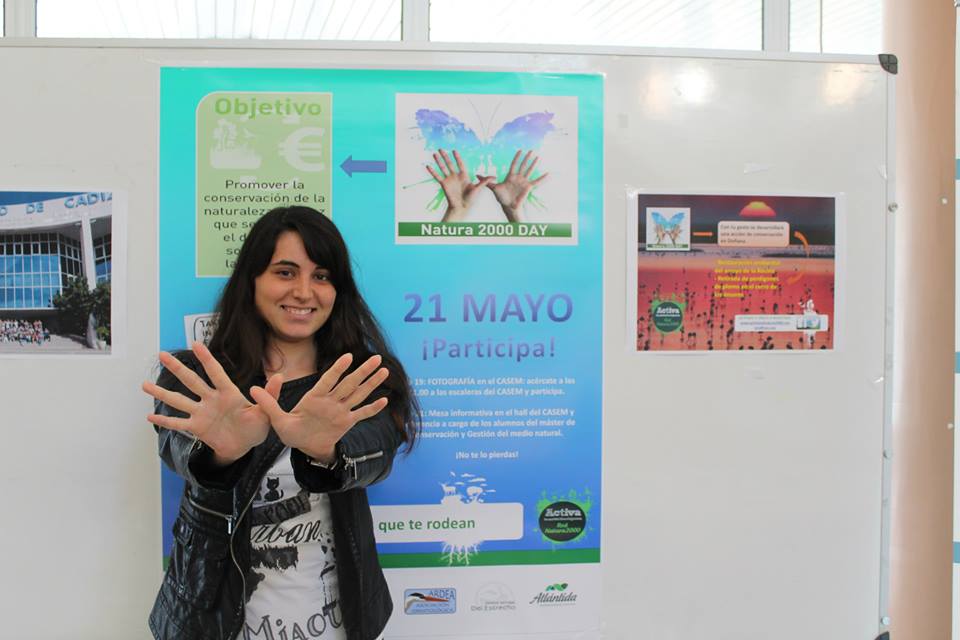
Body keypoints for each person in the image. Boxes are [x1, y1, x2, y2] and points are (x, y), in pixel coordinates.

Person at [144, 206, 419, 640]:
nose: (305, 291)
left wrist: (328, 452)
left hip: (338, 625)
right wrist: (222, 453)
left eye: (323, 275)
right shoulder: (199, 378)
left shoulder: (364, 378)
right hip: (211, 625)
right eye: (285, 272)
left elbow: (377, 454)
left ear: (339, 289)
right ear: (252, 281)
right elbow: (179, 450)